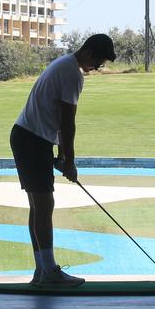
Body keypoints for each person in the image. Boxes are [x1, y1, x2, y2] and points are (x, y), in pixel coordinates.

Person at [10, 34, 116, 287]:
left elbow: (57, 117)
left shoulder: (64, 64)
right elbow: (68, 123)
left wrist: (61, 155)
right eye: (99, 62)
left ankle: (41, 271)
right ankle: (49, 273)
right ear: (89, 53)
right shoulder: (72, 73)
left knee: (38, 207)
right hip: (32, 140)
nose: (97, 68)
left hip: (29, 137)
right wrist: (70, 162)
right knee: (44, 206)